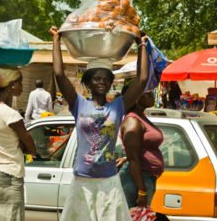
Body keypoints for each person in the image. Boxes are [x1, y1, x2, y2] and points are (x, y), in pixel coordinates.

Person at [49, 26, 149, 221]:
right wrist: (56, 40)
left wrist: (141, 44)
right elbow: (59, 74)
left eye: (106, 79)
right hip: (82, 182)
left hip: (108, 182)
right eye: (96, 78)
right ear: (88, 83)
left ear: (111, 83)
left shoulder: (118, 106)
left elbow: (142, 79)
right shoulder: (79, 104)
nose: (101, 82)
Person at [0, 67, 36, 221]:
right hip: (10, 176)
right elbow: (31, 147)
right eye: (20, 83)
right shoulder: (11, 115)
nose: (22, 87)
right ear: (12, 85)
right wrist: (26, 147)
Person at [118, 89, 165, 207]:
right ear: (137, 98)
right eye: (148, 94)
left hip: (145, 176)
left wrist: (125, 158)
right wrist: (141, 190)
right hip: (137, 179)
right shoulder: (133, 121)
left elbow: (136, 150)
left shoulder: (141, 117)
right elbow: (133, 157)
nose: (152, 96)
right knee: (135, 216)